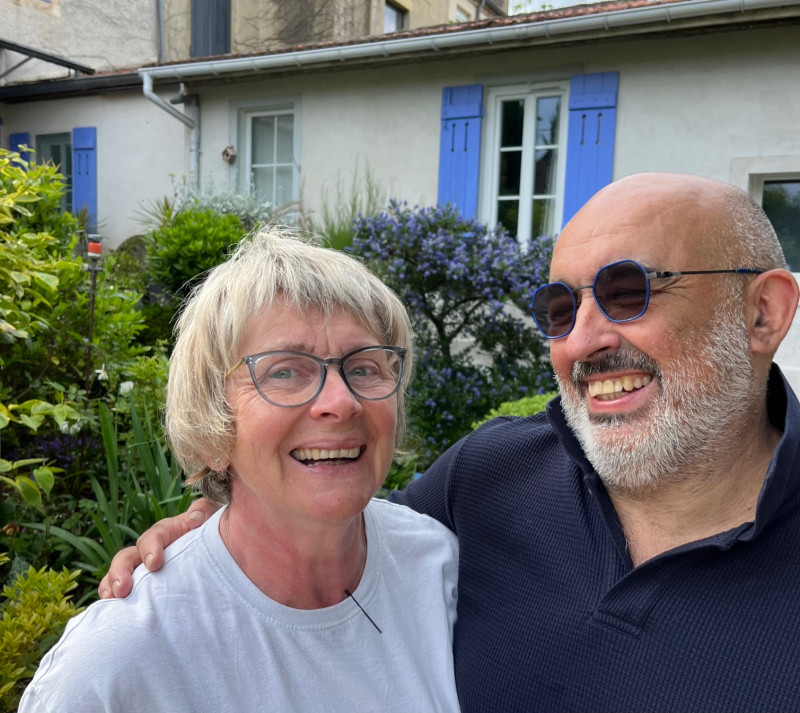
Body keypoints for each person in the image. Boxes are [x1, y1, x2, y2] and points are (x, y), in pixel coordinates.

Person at [101, 173, 800, 713]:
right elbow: (327, 513)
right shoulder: (491, 476)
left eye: (629, 291)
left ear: (762, 312)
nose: (581, 341)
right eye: (561, 309)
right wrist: (216, 520)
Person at [19, 229, 461, 712]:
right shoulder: (122, 660)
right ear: (212, 430)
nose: (342, 401)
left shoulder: (438, 567)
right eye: (285, 371)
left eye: (363, 367)